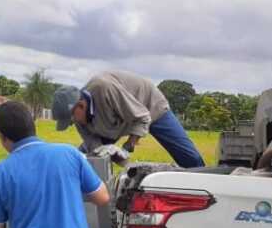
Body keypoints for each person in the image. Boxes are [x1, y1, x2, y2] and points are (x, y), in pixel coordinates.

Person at [52, 70, 206, 168]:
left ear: (80, 105)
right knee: (89, 161)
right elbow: (96, 149)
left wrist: (126, 148)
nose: (74, 123)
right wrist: (126, 164)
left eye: (71, 119)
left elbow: (143, 117)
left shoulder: (104, 88)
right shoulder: (79, 117)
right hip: (116, 121)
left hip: (148, 106)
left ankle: (206, 185)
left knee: (189, 158)